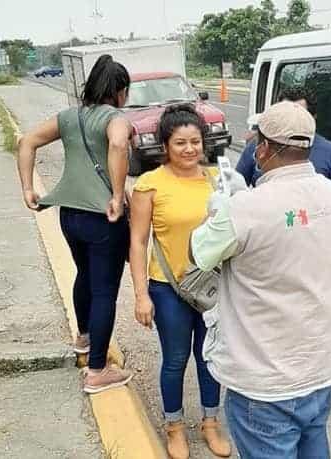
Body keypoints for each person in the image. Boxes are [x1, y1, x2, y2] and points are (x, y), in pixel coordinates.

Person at [190, 101, 331, 458]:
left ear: (263, 148)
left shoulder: (245, 209)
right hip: (320, 369)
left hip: (264, 383)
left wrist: (218, 207)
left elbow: (199, 255)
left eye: (256, 143)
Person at [17, 54, 134, 394]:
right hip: (103, 218)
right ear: (121, 90)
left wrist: (28, 187)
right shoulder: (115, 118)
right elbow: (116, 143)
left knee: (84, 275)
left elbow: (27, 141)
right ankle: (97, 371)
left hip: (68, 215)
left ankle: (83, 339)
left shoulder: (69, 117)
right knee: (104, 290)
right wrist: (116, 195)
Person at [129, 105, 231, 459]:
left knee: (210, 357)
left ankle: (210, 422)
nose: (189, 150)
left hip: (212, 287)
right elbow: (138, 242)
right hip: (168, 288)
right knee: (175, 359)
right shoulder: (150, 185)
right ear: (165, 146)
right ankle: (174, 426)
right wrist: (141, 294)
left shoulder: (217, 179)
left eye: (195, 142)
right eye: (180, 143)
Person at [236, 88, 331, 190]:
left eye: (299, 114)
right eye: (284, 114)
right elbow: (236, 188)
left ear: (313, 117)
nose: (291, 120)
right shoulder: (257, 147)